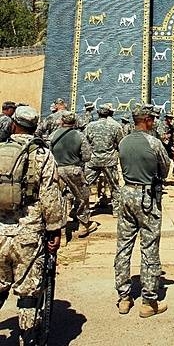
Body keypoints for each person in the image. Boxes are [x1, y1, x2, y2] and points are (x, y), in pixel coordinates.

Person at [0, 105, 66, 343]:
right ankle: (27, 337)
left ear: (14, 124)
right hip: (28, 235)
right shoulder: (42, 155)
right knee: (28, 292)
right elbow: (50, 196)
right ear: (35, 126)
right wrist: (55, 229)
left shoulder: (1, 149)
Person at [114, 104, 170, 317]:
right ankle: (148, 302)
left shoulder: (124, 142)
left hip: (126, 194)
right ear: (146, 120)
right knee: (149, 248)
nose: (154, 122)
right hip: (147, 198)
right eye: (152, 119)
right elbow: (165, 169)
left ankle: (124, 297)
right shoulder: (153, 143)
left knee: (123, 247)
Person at [50, 110, 97, 237]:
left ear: (62, 121)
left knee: (60, 198)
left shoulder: (53, 135)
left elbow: (48, 153)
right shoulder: (79, 135)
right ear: (74, 122)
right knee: (83, 196)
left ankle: (61, 228)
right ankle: (84, 225)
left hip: (57, 170)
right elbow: (87, 156)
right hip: (74, 169)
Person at [85, 103, 123, 216]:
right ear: (110, 113)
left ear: (98, 113)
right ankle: (116, 210)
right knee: (115, 186)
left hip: (93, 161)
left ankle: (83, 211)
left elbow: (85, 142)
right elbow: (120, 143)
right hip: (110, 161)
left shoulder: (90, 126)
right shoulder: (115, 126)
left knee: (85, 185)